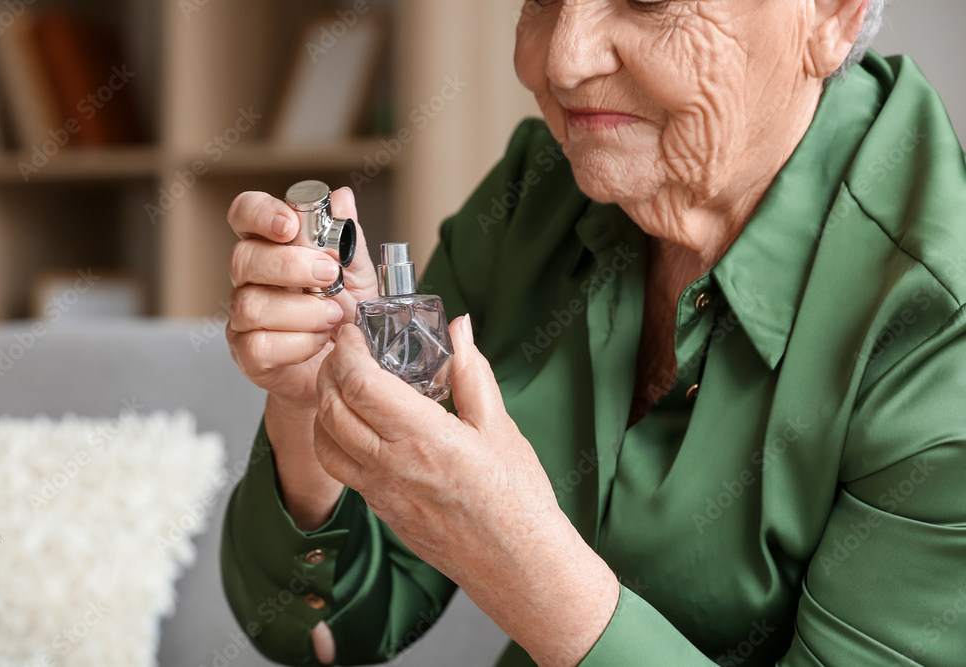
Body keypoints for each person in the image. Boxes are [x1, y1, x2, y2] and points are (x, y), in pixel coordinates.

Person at [220, 0, 966, 664]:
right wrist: (311, 395)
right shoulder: (539, 189)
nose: (562, 59)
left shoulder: (942, 325)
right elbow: (328, 630)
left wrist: (531, 571)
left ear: (832, 14)